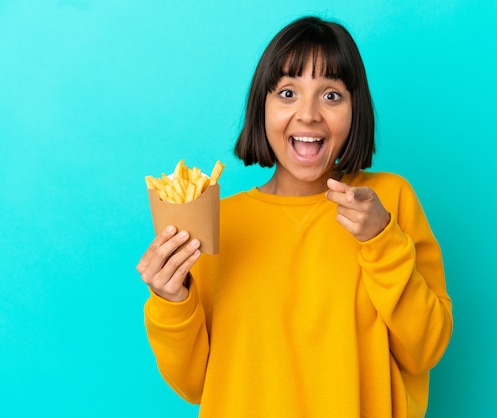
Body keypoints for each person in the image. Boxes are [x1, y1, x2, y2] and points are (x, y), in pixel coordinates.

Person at [137, 15, 453, 418]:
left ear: (356, 110)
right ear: (261, 107)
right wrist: (172, 300)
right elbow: (195, 384)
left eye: (332, 95)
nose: (308, 114)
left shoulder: (388, 202)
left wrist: (382, 240)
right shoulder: (216, 223)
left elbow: (425, 349)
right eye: (288, 92)